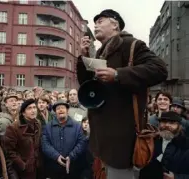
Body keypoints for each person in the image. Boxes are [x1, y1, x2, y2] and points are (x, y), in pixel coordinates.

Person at [77, 9, 168, 179]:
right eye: (95, 22)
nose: (96, 25)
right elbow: (86, 85)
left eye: (100, 21)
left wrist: (118, 74)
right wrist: (83, 56)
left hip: (122, 141)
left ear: (115, 24)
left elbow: (160, 69)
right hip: (101, 138)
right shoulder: (99, 53)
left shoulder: (131, 45)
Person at [41, 100, 86, 179]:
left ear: (67, 110)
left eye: (63, 108)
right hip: (54, 168)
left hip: (73, 168)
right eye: (58, 108)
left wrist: (71, 156)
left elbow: (81, 143)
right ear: (55, 112)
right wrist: (56, 156)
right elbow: (45, 144)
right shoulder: (48, 127)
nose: (60, 110)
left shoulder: (77, 126)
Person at [139, 111, 189, 179]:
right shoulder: (151, 140)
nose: (167, 125)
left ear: (179, 126)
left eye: (172, 123)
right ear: (159, 124)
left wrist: (176, 177)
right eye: (164, 122)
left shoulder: (185, 146)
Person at [4, 99, 41, 179]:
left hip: (37, 167)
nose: (33, 110)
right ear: (23, 113)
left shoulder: (38, 123)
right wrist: (22, 165)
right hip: (23, 170)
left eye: (34, 107)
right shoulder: (14, 127)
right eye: (29, 108)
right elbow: (9, 151)